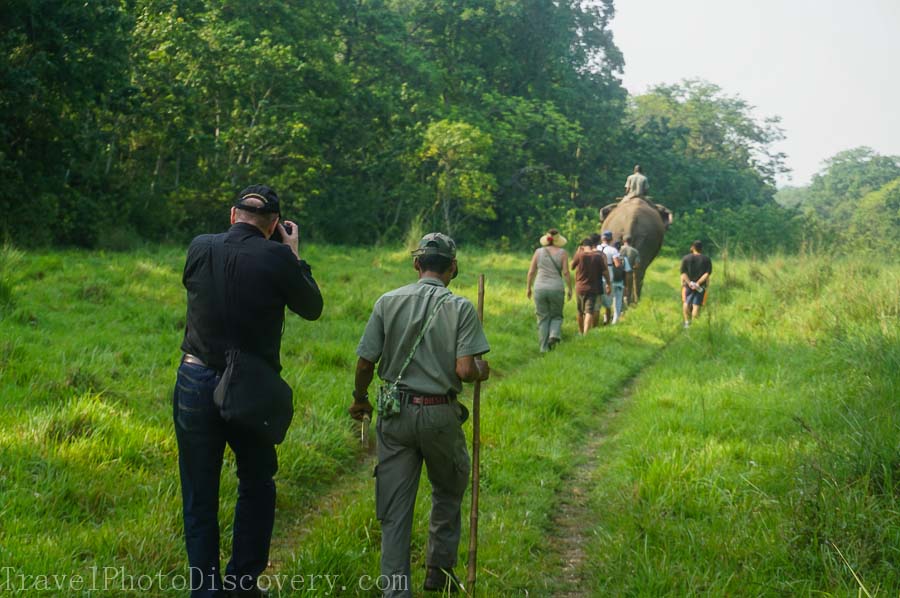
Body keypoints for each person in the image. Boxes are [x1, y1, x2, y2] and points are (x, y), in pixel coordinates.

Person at [174, 184, 323, 598]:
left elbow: (192, 283)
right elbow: (312, 307)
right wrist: (292, 253)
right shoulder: (278, 256)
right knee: (256, 482)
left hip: (195, 376)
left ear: (232, 214)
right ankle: (242, 584)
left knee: (199, 491)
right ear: (275, 225)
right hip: (251, 385)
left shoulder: (200, 246)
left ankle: (204, 591)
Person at [349, 233, 490, 597]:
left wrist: (360, 398)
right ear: (453, 268)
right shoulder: (460, 308)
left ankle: (396, 591)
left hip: (394, 415)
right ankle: (438, 570)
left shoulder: (387, 302)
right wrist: (481, 369)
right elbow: (464, 370)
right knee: (448, 487)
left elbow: (366, 361)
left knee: (395, 507)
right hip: (440, 414)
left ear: (416, 264)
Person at [526, 229, 573, 351]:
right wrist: (570, 289)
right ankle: (554, 334)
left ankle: (543, 348)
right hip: (556, 288)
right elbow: (566, 272)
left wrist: (528, 288)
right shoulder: (562, 253)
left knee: (542, 318)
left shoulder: (538, 252)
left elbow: (531, 272)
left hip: (539, 287)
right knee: (556, 316)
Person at [569, 238, 609, 334]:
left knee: (580, 311)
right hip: (592, 288)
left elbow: (571, 267)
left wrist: (578, 252)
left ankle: (580, 331)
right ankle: (586, 334)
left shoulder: (579, 255)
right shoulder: (598, 257)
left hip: (579, 288)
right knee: (589, 311)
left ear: (582, 246)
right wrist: (608, 283)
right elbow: (605, 272)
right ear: (592, 246)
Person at [680, 239, 712, 327]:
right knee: (696, 304)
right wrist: (698, 283)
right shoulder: (706, 259)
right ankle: (694, 325)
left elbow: (683, 273)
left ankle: (686, 323)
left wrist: (689, 283)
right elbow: (707, 274)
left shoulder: (686, 258)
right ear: (701, 248)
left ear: (693, 247)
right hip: (700, 286)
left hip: (688, 285)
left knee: (686, 302)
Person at [596, 231, 619, 325]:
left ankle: (595, 322)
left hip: (596, 278)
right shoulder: (613, 250)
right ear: (611, 239)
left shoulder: (596, 248)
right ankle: (607, 321)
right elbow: (617, 264)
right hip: (608, 278)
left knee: (596, 302)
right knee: (608, 303)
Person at [619, 235, 641, 306]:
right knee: (628, 288)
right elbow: (637, 265)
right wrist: (632, 267)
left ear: (623, 241)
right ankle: (627, 303)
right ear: (631, 241)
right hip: (629, 272)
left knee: (619, 287)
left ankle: (620, 303)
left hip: (619, 272)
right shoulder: (635, 251)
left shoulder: (619, 249)